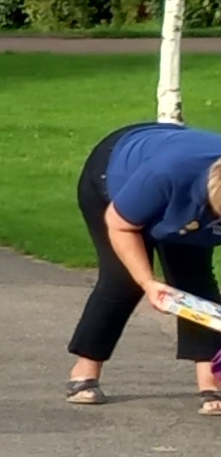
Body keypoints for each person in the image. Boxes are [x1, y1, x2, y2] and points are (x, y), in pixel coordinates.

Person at [62, 117, 221, 414]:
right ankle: (84, 371)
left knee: (195, 280)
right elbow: (120, 225)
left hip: (175, 167)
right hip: (115, 175)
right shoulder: (166, 175)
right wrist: (148, 282)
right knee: (124, 280)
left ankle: (211, 379)